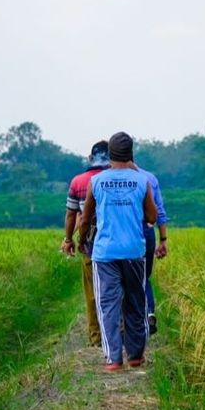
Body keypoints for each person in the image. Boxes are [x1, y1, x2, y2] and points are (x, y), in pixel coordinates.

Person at [78, 131, 157, 371]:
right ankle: (135, 355)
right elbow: (152, 216)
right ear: (131, 153)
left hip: (105, 253)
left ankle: (113, 359)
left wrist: (82, 240)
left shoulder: (97, 182)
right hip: (134, 251)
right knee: (136, 302)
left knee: (108, 305)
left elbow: (86, 218)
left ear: (110, 154)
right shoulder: (142, 181)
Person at [62, 140, 110, 347]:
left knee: (92, 293)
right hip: (116, 243)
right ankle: (119, 332)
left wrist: (68, 240)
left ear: (91, 158)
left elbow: (72, 215)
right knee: (118, 291)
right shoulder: (115, 179)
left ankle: (96, 337)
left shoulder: (78, 182)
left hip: (90, 243)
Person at [127, 160, 168, 334]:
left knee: (124, 277)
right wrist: (163, 239)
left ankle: (133, 320)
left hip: (127, 231)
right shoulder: (149, 177)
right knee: (144, 276)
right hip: (148, 231)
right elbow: (159, 211)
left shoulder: (110, 179)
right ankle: (149, 312)